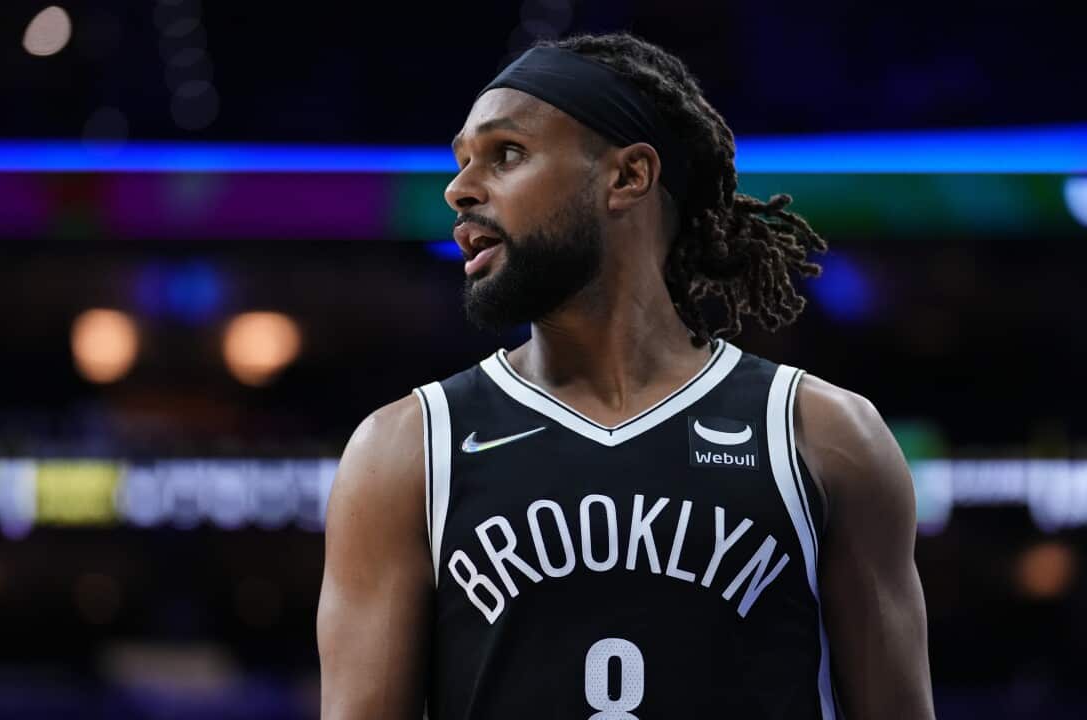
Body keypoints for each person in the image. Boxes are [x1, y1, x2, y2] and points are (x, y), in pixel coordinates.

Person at [317, 31, 934, 720]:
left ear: (628, 177)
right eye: (462, 162)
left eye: (506, 154)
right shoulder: (403, 450)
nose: (459, 190)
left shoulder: (820, 434)